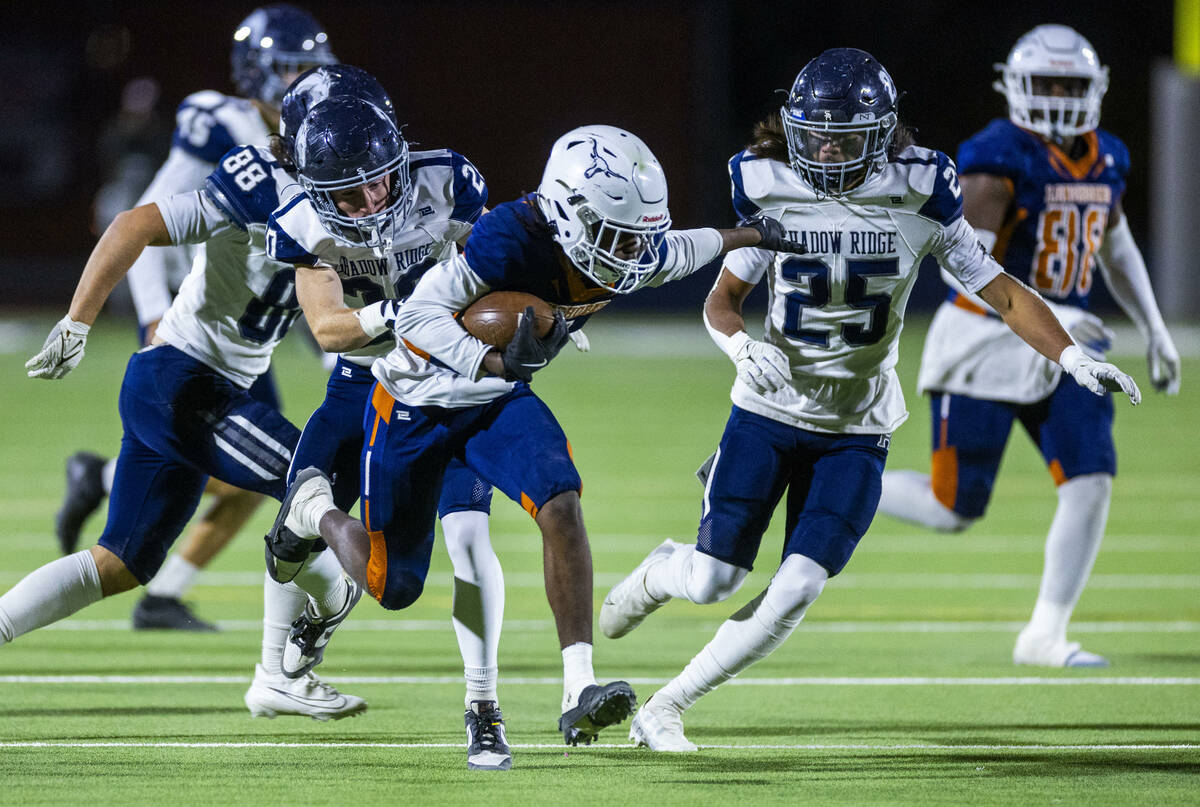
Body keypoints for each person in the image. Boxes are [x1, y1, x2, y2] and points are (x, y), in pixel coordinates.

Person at [599, 48, 1142, 752]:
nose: (825, 150)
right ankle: (662, 569)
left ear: (883, 136)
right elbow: (723, 301)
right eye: (814, 133)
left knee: (797, 588)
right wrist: (740, 348)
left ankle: (667, 705)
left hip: (859, 424)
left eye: (844, 137)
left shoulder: (923, 195)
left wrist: (1069, 356)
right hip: (768, 410)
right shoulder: (771, 186)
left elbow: (1003, 291)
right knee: (712, 578)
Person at [264, 123, 806, 754]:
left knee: (560, 500)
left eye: (637, 235)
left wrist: (754, 234)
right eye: (617, 235)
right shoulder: (507, 239)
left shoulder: (631, 250)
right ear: (570, 212)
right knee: (394, 586)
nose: (630, 251)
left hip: (494, 402)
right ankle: (315, 510)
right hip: (414, 401)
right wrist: (491, 361)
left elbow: (680, 248)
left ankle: (580, 687)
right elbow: (415, 317)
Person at [13, 101, 365, 720]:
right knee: (313, 485)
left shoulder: (347, 210)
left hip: (192, 386)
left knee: (117, 566)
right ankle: (276, 673)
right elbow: (131, 225)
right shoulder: (256, 186)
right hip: (184, 380)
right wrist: (77, 321)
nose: (364, 180)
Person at [875, 25, 1180, 667]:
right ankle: (836, 483)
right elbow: (966, 267)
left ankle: (1045, 631)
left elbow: (1114, 244)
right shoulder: (997, 155)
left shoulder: (1109, 156)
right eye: (1047, 83)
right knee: (951, 507)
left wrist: (1154, 326)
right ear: (1015, 87)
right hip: (987, 342)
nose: (1061, 95)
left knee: (1091, 480)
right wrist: (1063, 312)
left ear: (1095, 88)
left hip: (1066, 344)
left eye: (1071, 83)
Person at [55, 3, 337, 632]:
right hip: (192, 318)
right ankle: (109, 490)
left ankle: (161, 588)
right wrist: (154, 312)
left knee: (250, 477)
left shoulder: (318, 145)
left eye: (308, 68)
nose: (299, 82)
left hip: (251, 322)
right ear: (256, 70)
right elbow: (145, 215)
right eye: (288, 67)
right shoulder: (220, 123)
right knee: (272, 471)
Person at [261, 84, 511, 770]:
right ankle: (316, 592)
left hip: (447, 385)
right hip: (361, 384)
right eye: (349, 194)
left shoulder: (448, 179)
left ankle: (483, 708)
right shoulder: (299, 223)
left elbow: (497, 266)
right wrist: (406, 312)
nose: (372, 201)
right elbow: (329, 330)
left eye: (379, 182)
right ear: (316, 191)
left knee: (468, 533)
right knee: (285, 547)